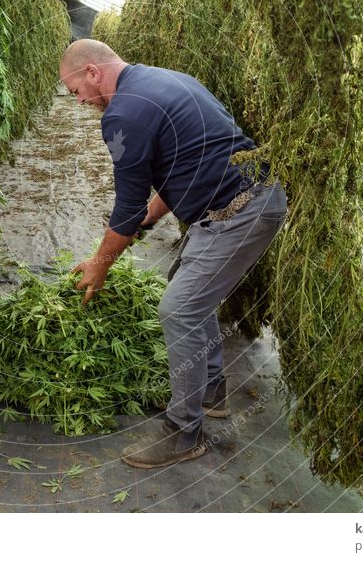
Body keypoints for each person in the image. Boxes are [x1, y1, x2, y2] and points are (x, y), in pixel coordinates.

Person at [59, 39, 287, 469]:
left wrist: (99, 265)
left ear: (92, 72)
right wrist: (148, 220)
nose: (80, 102)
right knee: (184, 285)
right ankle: (211, 390)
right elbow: (178, 167)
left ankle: (183, 433)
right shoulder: (161, 79)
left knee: (178, 309)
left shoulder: (123, 113)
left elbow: (124, 208)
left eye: (76, 91)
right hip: (232, 205)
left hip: (241, 209)